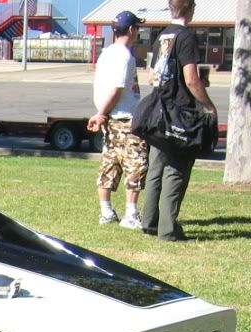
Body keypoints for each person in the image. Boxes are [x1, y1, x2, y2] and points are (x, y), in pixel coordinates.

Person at [140, 0, 218, 241]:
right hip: (180, 114)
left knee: (156, 167)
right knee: (176, 169)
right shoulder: (186, 37)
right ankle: (168, 229)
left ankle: (149, 222)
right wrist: (208, 105)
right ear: (191, 8)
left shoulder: (163, 36)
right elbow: (191, 79)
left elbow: (151, 76)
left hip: (159, 111)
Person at [87, 11, 149, 229]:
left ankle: (106, 211)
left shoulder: (106, 53)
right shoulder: (124, 56)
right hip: (124, 118)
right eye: (137, 28)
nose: (137, 32)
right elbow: (117, 88)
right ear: (131, 29)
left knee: (110, 163)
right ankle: (131, 214)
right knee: (136, 163)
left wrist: (102, 113)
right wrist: (101, 113)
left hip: (111, 118)